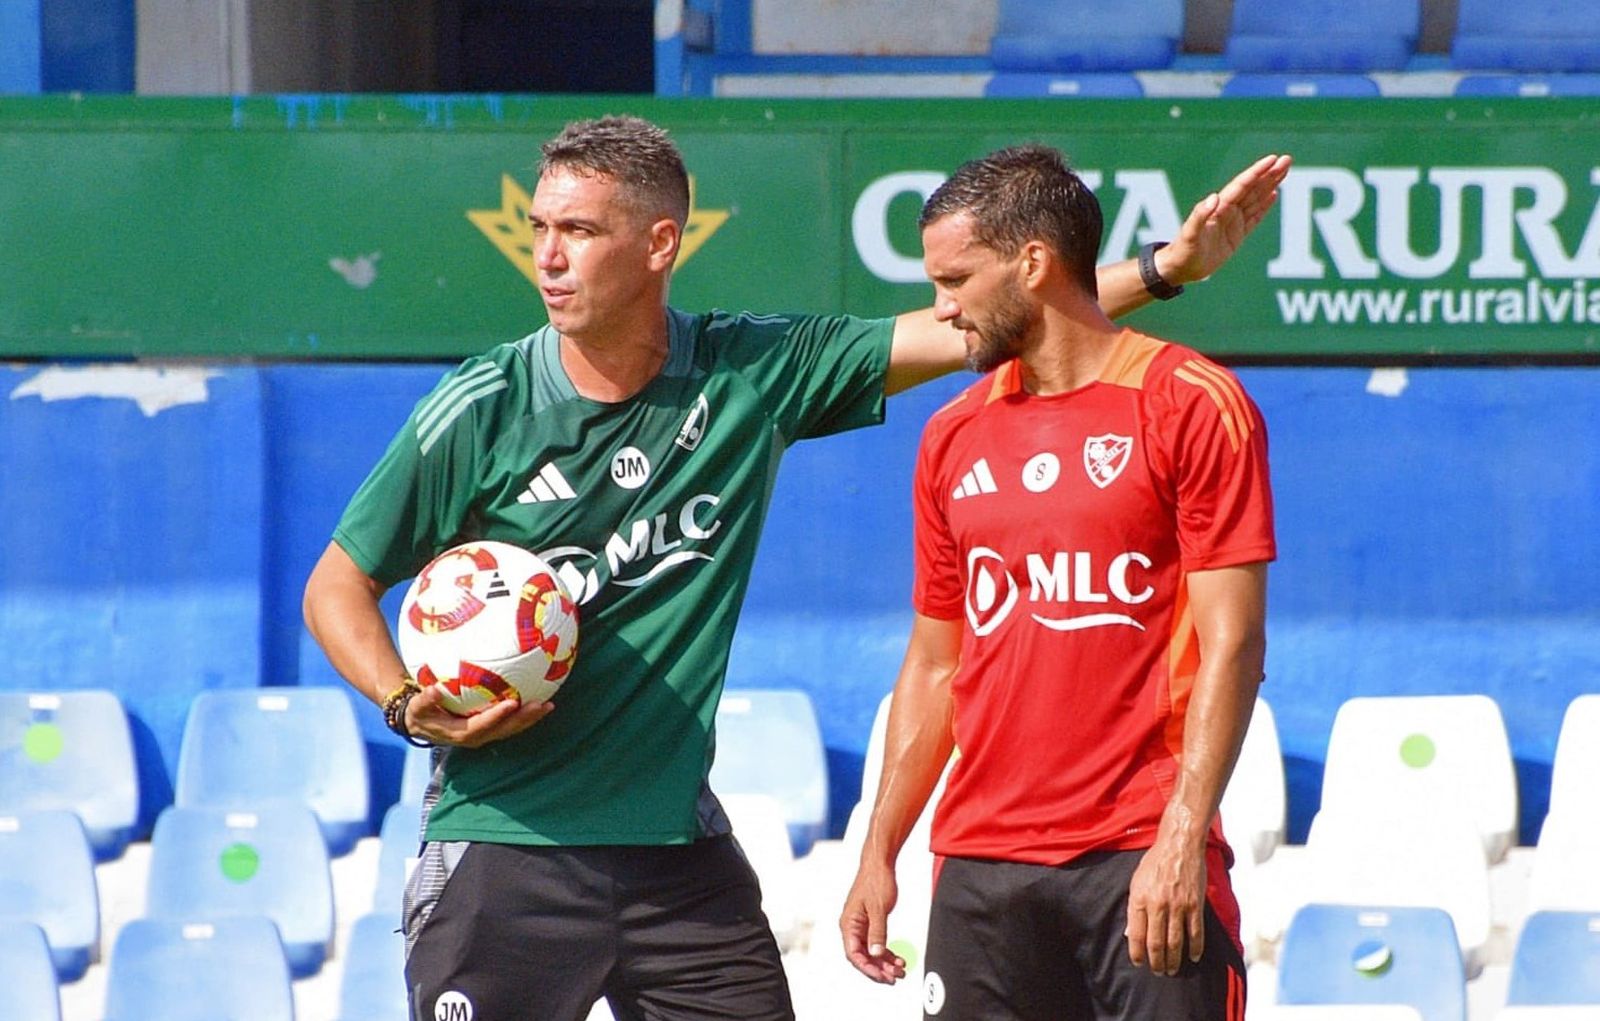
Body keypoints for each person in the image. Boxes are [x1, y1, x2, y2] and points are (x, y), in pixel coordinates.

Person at [302, 114, 1288, 1021]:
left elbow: (984, 321)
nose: (548, 258)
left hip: (676, 860)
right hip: (504, 843)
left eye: (580, 231)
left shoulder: (751, 376)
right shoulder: (480, 406)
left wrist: (1164, 268)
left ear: (658, 245)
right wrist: (400, 699)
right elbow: (336, 583)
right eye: (540, 229)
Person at [838, 143, 1276, 1021]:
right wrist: (879, 848)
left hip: (1136, 856)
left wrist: (1182, 834)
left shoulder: (1190, 401)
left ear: (1032, 263)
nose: (940, 308)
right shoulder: (952, 435)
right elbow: (933, 665)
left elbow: (1234, 644)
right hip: (980, 871)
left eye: (955, 279)